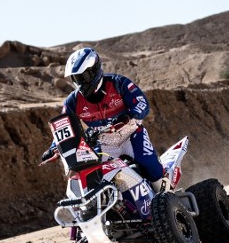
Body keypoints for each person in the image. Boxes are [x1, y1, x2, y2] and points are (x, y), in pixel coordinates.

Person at [42, 47, 167, 192]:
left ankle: (166, 198)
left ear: (95, 70)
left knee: (150, 165)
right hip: (103, 144)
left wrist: (129, 115)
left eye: (84, 77)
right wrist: (54, 148)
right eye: (76, 78)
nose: (81, 82)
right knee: (93, 177)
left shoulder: (118, 83)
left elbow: (142, 103)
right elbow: (64, 128)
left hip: (131, 134)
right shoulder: (72, 102)